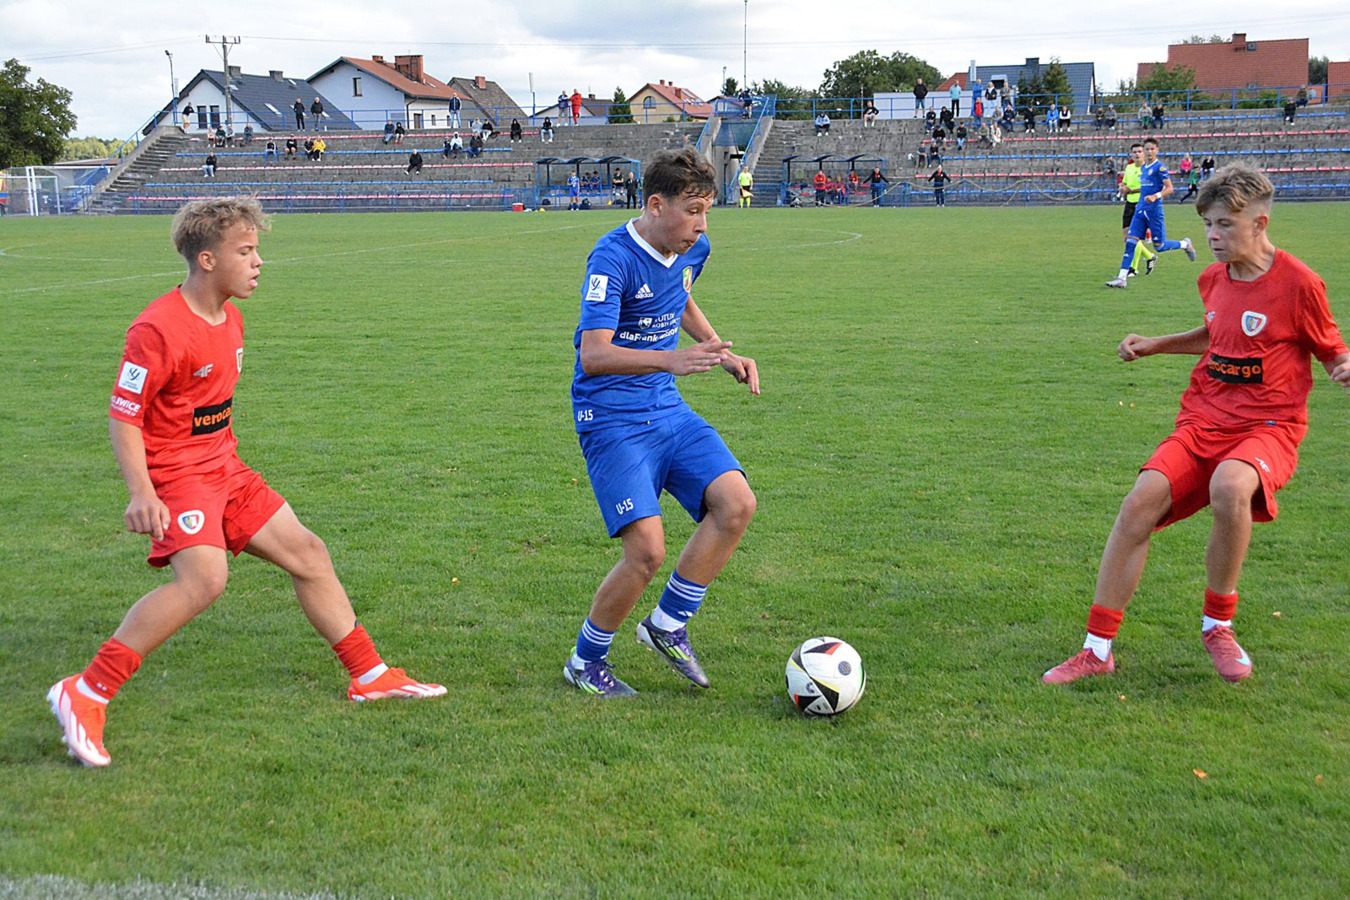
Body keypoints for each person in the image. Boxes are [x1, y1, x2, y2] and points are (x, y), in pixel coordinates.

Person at [45, 198, 446, 768]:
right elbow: (124, 415)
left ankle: (370, 674)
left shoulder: (230, 316)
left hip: (224, 468)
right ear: (207, 260)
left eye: (257, 250)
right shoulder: (157, 328)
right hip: (177, 475)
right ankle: (85, 691)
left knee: (308, 553)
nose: (258, 262)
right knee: (203, 581)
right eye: (246, 251)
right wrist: (142, 491)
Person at [1044, 164, 1350, 686]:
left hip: (1268, 425)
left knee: (1230, 485)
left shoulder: (1300, 284)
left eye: (1225, 224)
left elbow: (1330, 348)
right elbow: (1219, 334)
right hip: (1204, 418)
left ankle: (1218, 626)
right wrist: (1155, 344)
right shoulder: (1212, 278)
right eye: (1208, 224)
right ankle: (1096, 650)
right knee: (1139, 503)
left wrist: (1343, 366)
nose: (1212, 235)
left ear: (1259, 223)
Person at [564, 148, 759, 697]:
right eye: (692, 211)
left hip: (666, 406)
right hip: (612, 417)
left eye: (707, 212)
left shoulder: (694, 249)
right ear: (655, 205)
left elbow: (681, 297)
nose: (702, 226)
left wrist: (721, 352)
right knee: (646, 551)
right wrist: (670, 359)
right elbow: (594, 355)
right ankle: (585, 662)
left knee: (736, 503)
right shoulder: (612, 258)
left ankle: (668, 623)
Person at [1106, 138, 1196, 288]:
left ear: (1157, 150)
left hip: (1154, 211)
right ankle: (1122, 278)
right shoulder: (1143, 169)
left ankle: (1185, 244)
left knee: (1159, 246)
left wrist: (1156, 196)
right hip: (1140, 210)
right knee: (1130, 242)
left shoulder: (1160, 168)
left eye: (1151, 149)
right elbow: (1143, 187)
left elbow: (1170, 188)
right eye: (1147, 149)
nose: (1149, 152)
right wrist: (1129, 190)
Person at [1119, 144, 1158, 277]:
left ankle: (1133, 268)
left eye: (1139, 151)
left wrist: (1132, 190)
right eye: (1134, 152)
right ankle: (1150, 256)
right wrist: (1123, 187)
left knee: (1134, 237)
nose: (1137, 154)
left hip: (1142, 204)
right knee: (1127, 238)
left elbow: (1149, 187)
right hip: (1129, 203)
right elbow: (1125, 182)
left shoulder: (1148, 168)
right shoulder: (1129, 168)